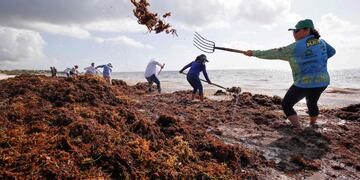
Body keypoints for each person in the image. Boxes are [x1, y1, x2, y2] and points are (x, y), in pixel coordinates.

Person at [244, 19, 336, 128]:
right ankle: (312, 125)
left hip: (304, 83)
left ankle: (298, 128)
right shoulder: (322, 42)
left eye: (296, 31)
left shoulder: (295, 47)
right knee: (312, 103)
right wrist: (316, 59)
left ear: (307, 30)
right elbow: (332, 52)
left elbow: (272, 53)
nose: (294, 33)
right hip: (322, 82)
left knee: (286, 104)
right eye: (293, 31)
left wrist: (253, 53)